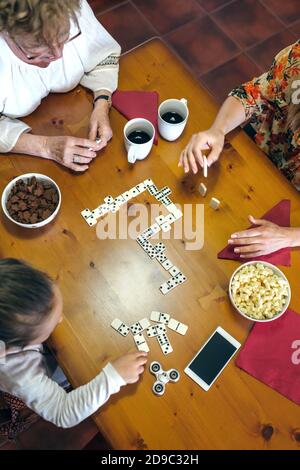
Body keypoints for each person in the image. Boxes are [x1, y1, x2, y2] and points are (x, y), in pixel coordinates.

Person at [179, 41, 300, 258]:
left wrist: (289, 236)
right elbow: (254, 94)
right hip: (256, 156)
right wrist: (218, 129)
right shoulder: (296, 60)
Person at [0, 258, 147, 428]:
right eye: (52, 325)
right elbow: (62, 412)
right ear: (18, 345)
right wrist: (114, 378)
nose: (61, 319)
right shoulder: (18, 374)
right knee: (76, 372)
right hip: (20, 386)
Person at [0, 0, 121, 172]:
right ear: (5, 33)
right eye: (36, 48)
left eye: (64, 37)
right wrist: (45, 146)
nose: (58, 55)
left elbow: (101, 55)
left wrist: (102, 103)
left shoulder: (68, 7)